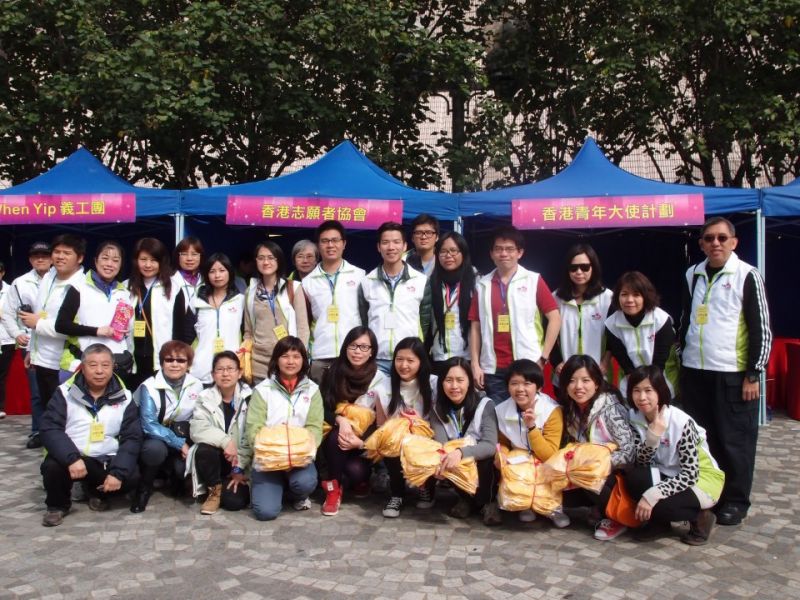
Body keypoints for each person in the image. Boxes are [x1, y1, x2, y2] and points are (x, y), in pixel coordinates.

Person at [678, 217, 771, 527]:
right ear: (701, 244)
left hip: (733, 373)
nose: (715, 243)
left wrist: (753, 373)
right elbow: (686, 319)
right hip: (695, 370)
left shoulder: (747, 275)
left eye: (721, 238)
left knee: (735, 440)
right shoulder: (693, 274)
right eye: (709, 238)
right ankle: (711, 493)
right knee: (704, 439)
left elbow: (761, 329)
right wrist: (681, 358)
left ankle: (736, 501)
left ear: (734, 242)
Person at [39, 343, 142, 526]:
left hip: (104, 458)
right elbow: (50, 428)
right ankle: (57, 506)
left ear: (113, 367)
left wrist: (118, 473)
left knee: (131, 476)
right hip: (73, 456)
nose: (99, 371)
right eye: (93, 365)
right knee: (52, 466)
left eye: (105, 365)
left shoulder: (125, 397)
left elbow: (132, 438)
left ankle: (95, 492)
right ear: (83, 367)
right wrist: (71, 458)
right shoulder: (64, 393)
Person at [624, 365, 724, 545]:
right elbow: (641, 461)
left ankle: (701, 517)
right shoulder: (634, 417)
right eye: (636, 391)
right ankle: (660, 524)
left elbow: (690, 474)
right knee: (634, 478)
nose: (642, 397)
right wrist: (653, 438)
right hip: (666, 472)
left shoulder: (680, 422)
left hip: (700, 480)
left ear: (660, 391)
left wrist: (652, 495)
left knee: (662, 505)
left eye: (648, 390)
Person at [469, 225, 561, 403]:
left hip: (528, 364)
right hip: (493, 368)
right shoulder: (482, 285)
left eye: (510, 249)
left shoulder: (533, 280)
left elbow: (555, 318)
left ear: (520, 252)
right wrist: (475, 363)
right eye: (498, 249)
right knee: (498, 415)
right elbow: (475, 326)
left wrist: (543, 357)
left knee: (529, 414)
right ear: (491, 253)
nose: (504, 253)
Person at [240, 336, 323, 521]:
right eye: (285, 356)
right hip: (268, 459)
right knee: (265, 512)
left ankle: (296, 494)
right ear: (276, 360)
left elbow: (315, 428)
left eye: (296, 356)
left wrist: (297, 451)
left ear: (304, 360)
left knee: (304, 483)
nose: (290, 361)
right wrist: (277, 452)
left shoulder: (313, 390)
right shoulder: (263, 390)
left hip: (298, 458)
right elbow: (254, 429)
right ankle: (276, 488)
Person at [559, 354, 635, 541]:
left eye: (586, 380)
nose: (578, 387)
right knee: (556, 491)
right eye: (572, 381)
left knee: (587, 473)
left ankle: (617, 517)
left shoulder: (611, 408)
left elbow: (629, 452)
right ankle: (598, 507)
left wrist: (599, 462)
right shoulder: (571, 409)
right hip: (587, 471)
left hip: (616, 473)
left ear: (597, 382)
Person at [319, 326, 389, 515]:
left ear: (372, 351)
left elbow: (381, 422)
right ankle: (333, 489)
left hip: (361, 441)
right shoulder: (333, 372)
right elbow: (321, 408)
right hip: (334, 437)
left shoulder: (380, 379)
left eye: (364, 347)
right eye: (353, 346)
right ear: (346, 347)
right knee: (336, 437)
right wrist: (340, 421)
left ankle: (355, 480)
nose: (358, 351)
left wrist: (361, 443)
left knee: (356, 472)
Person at [130, 341, 204, 513]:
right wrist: (179, 444)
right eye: (169, 360)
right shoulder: (149, 386)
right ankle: (144, 488)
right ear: (162, 362)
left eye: (181, 360)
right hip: (156, 435)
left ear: (188, 364)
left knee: (182, 468)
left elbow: (199, 416)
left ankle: (176, 480)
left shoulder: (196, 384)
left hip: (184, 433)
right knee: (154, 450)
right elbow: (149, 424)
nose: (175, 364)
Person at [494, 359, 566, 526]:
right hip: (520, 457)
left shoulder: (551, 410)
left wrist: (532, 427)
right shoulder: (501, 410)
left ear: (538, 387)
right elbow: (503, 442)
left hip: (546, 460)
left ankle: (552, 508)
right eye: (514, 383)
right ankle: (525, 505)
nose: (520, 389)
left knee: (547, 467)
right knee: (515, 460)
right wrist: (501, 455)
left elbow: (549, 454)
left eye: (527, 384)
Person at [429, 357, 501, 525]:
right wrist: (439, 461)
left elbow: (490, 445)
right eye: (449, 380)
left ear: (469, 382)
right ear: (441, 383)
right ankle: (465, 499)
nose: (454, 386)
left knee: (486, 458)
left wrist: (461, 452)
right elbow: (441, 444)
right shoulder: (437, 408)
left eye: (460, 380)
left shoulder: (485, 405)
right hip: (455, 459)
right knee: (442, 456)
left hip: (479, 457)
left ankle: (489, 502)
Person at [20, 234, 86, 412]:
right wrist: (31, 349)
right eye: (57, 252)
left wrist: (38, 324)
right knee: (46, 409)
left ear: (80, 258)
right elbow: (40, 313)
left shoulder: (83, 286)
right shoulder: (48, 277)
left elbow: (76, 327)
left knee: (65, 412)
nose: (60, 256)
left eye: (67, 253)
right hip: (42, 358)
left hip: (65, 363)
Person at [53, 241, 135, 384]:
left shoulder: (124, 293)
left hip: (115, 365)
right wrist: (97, 331)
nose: (109, 264)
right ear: (96, 261)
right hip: (81, 363)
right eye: (105, 258)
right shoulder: (79, 288)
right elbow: (61, 325)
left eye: (115, 260)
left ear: (121, 264)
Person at [358, 222, 431, 374]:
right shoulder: (367, 281)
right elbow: (364, 320)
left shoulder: (420, 281)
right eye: (385, 242)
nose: (391, 247)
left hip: (408, 359)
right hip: (377, 359)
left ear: (405, 246)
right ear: (378, 247)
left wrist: (416, 347)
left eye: (396, 242)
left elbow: (425, 321)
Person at [377, 336, 436, 518]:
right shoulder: (384, 386)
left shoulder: (434, 384)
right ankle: (397, 494)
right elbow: (381, 425)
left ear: (421, 362)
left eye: (410, 360)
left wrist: (418, 424)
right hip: (398, 441)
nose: (404, 365)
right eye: (399, 359)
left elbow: (440, 423)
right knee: (390, 437)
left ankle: (426, 486)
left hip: (426, 439)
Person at [188, 351, 252, 515]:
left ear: (239, 373)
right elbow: (198, 428)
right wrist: (225, 441)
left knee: (233, 502)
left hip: (241, 460)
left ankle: (230, 483)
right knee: (204, 449)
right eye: (220, 369)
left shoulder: (251, 397)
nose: (225, 374)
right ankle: (214, 490)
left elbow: (252, 435)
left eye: (230, 369)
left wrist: (239, 468)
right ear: (213, 374)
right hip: (216, 458)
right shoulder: (205, 397)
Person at [302, 221, 366, 384]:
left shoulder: (360, 276)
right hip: (321, 354)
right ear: (318, 245)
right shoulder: (308, 282)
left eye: (335, 240)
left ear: (344, 243)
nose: (330, 245)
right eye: (325, 241)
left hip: (353, 354)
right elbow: (305, 321)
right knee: (320, 400)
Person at [1, 241, 51, 446]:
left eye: (44, 255)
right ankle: (38, 431)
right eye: (36, 256)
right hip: (31, 343)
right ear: (30, 259)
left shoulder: (61, 279)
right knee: (37, 391)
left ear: (52, 258)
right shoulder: (20, 283)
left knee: (60, 390)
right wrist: (16, 334)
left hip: (58, 341)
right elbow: (7, 313)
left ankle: (60, 432)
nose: (40, 259)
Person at [243, 242, 310, 385]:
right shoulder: (251, 291)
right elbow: (248, 332)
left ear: (278, 260)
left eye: (270, 257)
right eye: (261, 258)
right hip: (258, 362)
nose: (266, 262)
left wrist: (298, 358)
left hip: (287, 361)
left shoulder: (293, 288)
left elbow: (303, 328)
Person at [127, 237, 189, 391]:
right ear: (136, 261)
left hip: (161, 359)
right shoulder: (127, 287)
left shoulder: (173, 288)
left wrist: (176, 358)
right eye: (143, 259)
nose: (148, 265)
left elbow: (180, 328)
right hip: (133, 359)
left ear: (162, 262)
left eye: (154, 260)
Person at [605, 271, 677, 395]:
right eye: (624, 294)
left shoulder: (661, 319)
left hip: (662, 380)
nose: (629, 300)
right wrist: (637, 388)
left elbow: (660, 362)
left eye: (636, 295)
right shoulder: (611, 324)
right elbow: (623, 361)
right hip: (630, 382)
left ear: (645, 296)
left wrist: (651, 388)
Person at [551, 244, 614, 379]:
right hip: (566, 373)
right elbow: (548, 333)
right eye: (573, 268)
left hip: (598, 372)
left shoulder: (607, 298)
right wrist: (556, 362)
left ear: (594, 268)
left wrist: (605, 361)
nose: (579, 272)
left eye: (585, 267)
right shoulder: (556, 298)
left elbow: (613, 336)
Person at [186, 253, 245, 385]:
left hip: (231, 368)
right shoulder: (196, 301)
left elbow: (247, 333)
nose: (217, 275)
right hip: (201, 368)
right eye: (212, 271)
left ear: (230, 272)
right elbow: (187, 335)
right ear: (206, 275)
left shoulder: (240, 300)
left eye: (222, 270)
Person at [427, 232, 476, 375]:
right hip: (439, 355)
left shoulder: (477, 281)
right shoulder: (430, 282)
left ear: (463, 253)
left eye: (453, 250)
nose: (448, 255)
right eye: (443, 251)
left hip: (467, 356)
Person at [172, 236, 205, 313]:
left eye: (194, 254)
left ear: (201, 256)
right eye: (184, 254)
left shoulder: (207, 280)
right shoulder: (169, 281)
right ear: (178, 257)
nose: (189, 258)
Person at [0, 262, 14, 419]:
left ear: (2, 273)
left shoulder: (10, 290)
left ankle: (0, 406)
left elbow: (16, 313)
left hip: (6, 338)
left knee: (1, 375)